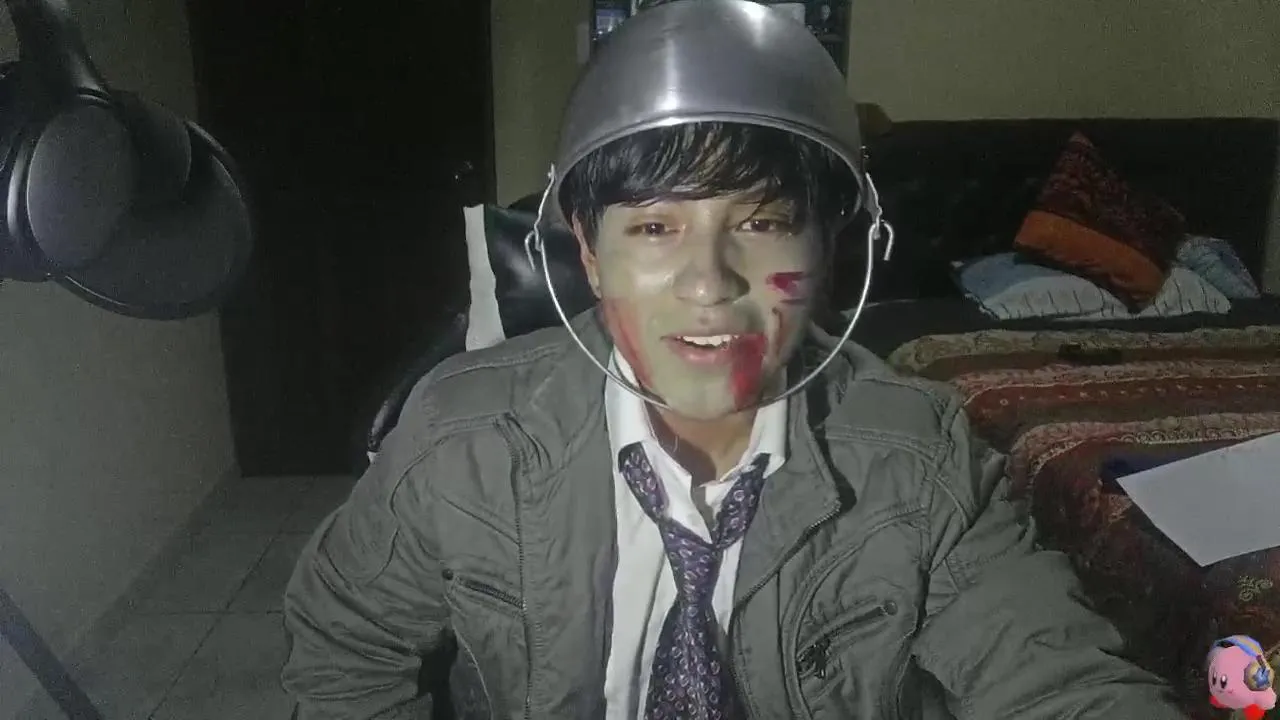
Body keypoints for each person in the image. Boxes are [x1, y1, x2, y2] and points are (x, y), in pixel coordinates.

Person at [280, 1, 1187, 718]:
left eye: (760, 222)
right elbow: (346, 644)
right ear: (588, 254)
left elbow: (1059, 680)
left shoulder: (922, 462)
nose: (709, 282)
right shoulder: (459, 442)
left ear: (827, 250)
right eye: (654, 228)